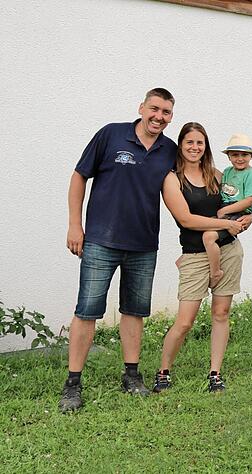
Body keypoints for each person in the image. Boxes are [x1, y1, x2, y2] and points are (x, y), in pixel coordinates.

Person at [60, 88, 178, 412]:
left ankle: (131, 376)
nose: (159, 116)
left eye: (166, 112)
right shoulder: (111, 135)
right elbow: (79, 177)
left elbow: (192, 186)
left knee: (135, 311)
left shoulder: (170, 151)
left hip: (143, 245)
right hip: (100, 240)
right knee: (87, 311)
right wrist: (75, 224)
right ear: (142, 107)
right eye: (155, 109)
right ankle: (72, 384)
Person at [153, 123, 252, 393]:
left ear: (205, 146)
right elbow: (185, 219)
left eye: (200, 143)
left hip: (228, 251)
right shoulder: (172, 179)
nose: (195, 148)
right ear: (181, 146)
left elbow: (239, 204)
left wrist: (247, 218)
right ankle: (163, 372)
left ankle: (215, 374)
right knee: (185, 321)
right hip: (196, 256)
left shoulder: (216, 175)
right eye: (189, 143)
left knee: (221, 313)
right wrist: (224, 225)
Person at [201, 133, 252, 288]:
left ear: (251, 156)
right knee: (200, 229)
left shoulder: (251, 174)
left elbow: (250, 199)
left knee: (208, 237)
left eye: (244, 155)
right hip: (225, 208)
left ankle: (216, 272)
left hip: (238, 211)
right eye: (235, 155)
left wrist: (225, 211)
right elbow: (219, 177)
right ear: (228, 156)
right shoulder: (228, 171)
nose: (240, 158)